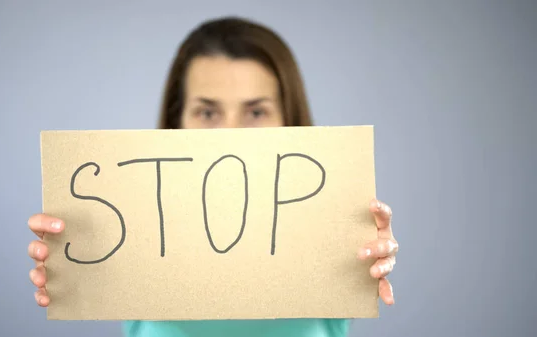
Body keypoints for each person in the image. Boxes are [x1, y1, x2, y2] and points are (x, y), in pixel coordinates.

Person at [27, 16, 399, 337]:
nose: (231, 135)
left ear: (290, 119)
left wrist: (365, 252)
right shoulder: (134, 222)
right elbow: (85, 271)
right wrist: (66, 256)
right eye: (207, 113)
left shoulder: (329, 221)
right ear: (177, 122)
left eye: (256, 112)